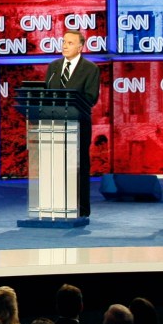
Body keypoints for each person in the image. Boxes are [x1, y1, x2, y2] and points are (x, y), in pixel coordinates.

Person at [44, 31, 101, 216]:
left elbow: (91, 98)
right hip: (54, 125)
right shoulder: (53, 67)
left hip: (79, 125)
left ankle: (81, 208)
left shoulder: (90, 69)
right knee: (55, 166)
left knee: (79, 167)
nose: (65, 46)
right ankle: (55, 205)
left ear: (80, 47)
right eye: (63, 42)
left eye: (70, 43)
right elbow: (46, 95)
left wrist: (70, 102)